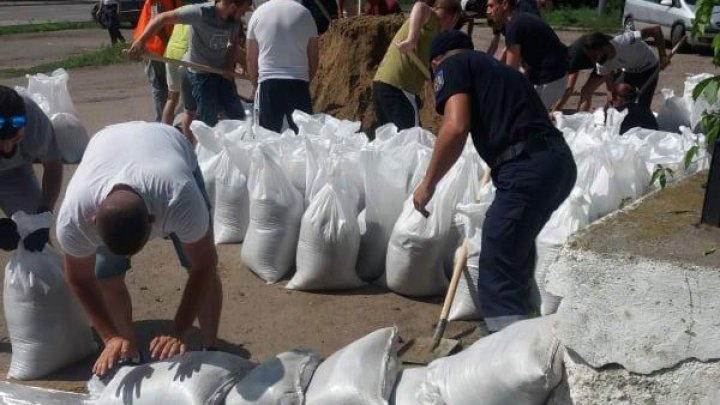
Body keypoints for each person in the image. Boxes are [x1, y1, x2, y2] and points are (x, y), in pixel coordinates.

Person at [413, 31, 576, 333]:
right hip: (557, 163)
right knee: (515, 251)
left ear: (436, 61)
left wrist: (428, 183)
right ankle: (524, 332)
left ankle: (507, 350)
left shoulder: (452, 66)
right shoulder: (501, 71)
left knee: (498, 260)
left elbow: (456, 126)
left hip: (526, 168)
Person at [57, 121, 222, 377]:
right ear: (93, 222)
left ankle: (211, 347)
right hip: (105, 140)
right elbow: (79, 278)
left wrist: (178, 331)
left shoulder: (180, 197)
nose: (130, 258)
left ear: (154, 220)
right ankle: (126, 352)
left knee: (196, 266)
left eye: (135, 249)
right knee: (108, 275)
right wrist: (108, 336)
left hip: (166, 141)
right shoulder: (75, 215)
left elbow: (205, 265)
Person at [129, 0, 250, 127]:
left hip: (222, 72)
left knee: (237, 115)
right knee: (207, 120)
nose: (243, 15)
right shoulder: (201, 13)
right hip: (201, 75)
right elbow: (162, 18)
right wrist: (141, 42)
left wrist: (228, 66)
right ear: (232, 7)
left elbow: (233, 43)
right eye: (243, 11)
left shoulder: (233, 20)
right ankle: (196, 144)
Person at [372, 0, 462, 130]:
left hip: (382, 85)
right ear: (453, 17)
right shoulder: (434, 20)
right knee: (412, 140)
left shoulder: (432, 35)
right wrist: (411, 40)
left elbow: (429, 67)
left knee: (392, 141)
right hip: (399, 88)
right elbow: (420, 6)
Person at [0, 86, 62, 253]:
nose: (6, 148)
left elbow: (53, 165)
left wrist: (45, 211)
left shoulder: (35, 121)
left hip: (15, 172)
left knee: (34, 233)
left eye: (14, 139)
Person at [246, 0, 319, 133]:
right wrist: (305, 79)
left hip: (269, 82)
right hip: (298, 82)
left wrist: (256, 84)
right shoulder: (305, 14)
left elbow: (250, 58)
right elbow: (314, 58)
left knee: (268, 136)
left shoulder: (259, 13)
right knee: (303, 136)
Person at [486, 0, 568, 110]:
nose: (488, 11)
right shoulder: (518, 20)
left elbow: (511, 71)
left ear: (505, 5)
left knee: (531, 116)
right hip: (553, 74)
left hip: (552, 77)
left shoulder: (514, 27)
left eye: (491, 6)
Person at [579, 26, 668, 112]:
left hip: (649, 68)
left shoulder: (627, 40)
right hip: (630, 71)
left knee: (642, 107)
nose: (593, 61)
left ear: (604, 48)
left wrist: (663, 55)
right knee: (620, 102)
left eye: (594, 56)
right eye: (590, 58)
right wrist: (612, 100)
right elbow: (610, 87)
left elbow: (655, 30)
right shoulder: (601, 65)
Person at [133, 0, 182, 122]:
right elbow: (157, 24)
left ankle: (166, 120)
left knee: (169, 87)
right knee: (161, 87)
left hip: (164, 48)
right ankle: (161, 122)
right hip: (154, 48)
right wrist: (168, 46)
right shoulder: (158, 1)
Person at [550, 34, 608, 115]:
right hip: (601, 52)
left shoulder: (573, 58)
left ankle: (581, 119)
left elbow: (569, 88)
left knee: (587, 90)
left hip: (610, 57)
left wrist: (555, 111)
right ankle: (581, 118)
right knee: (586, 91)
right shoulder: (571, 55)